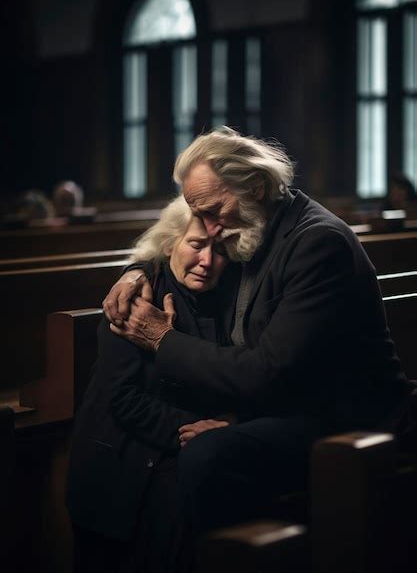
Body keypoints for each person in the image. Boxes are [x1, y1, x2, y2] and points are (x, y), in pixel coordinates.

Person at [103, 126, 413, 534]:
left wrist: (162, 339)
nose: (207, 227)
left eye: (211, 211)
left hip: (345, 418)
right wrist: (138, 270)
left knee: (206, 456)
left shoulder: (318, 243)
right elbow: (171, 239)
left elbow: (270, 372)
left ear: (257, 186)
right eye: (198, 213)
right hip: (288, 403)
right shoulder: (246, 227)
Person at [67, 195, 233, 573]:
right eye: (196, 244)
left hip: (181, 454)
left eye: (220, 250)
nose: (208, 261)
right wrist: (202, 431)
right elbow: (121, 398)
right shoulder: (136, 297)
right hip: (124, 463)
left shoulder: (226, 294)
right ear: (170, 242)